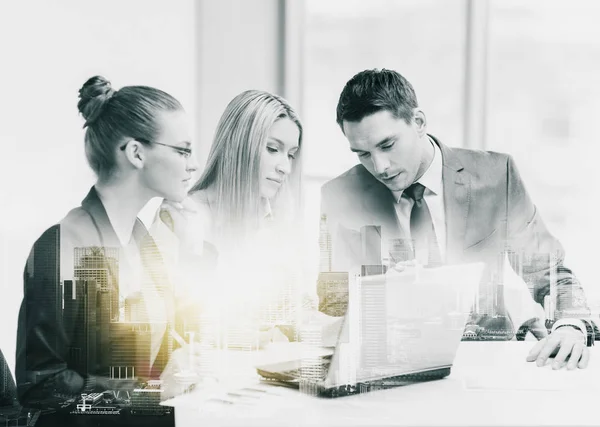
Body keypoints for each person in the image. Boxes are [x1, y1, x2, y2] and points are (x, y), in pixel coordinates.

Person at [318, 68, 593, 370]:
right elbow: (332, 304)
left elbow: (549, 272)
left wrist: (570, 325)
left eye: (387, 145)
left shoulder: (495, 175)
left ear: (419, 122)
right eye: (362, 154)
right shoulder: (341, 196)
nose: (380, 167)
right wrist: (385, 296)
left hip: (485, 363)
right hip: (390, 369)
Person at [16, 76, 202, 408]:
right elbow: (42, 388)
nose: (193, 164)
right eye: (183, 150)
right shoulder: (60, 247)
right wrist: (149, 393)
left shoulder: (143, 240)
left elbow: (169, 345)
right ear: (136, 153)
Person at [155, 89, 304, 349]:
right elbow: (173, 329)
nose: (285, 167)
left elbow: (287, 312)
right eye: (273, 149)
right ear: (238, 145)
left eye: (290, 154)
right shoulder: (182, 217)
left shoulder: (271, 223)